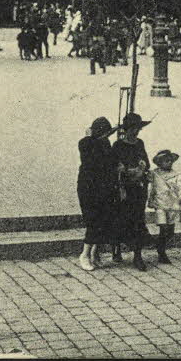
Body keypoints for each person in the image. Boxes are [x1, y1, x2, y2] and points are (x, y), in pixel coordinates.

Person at [111, 113, 152, 271]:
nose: (135, 132)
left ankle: (137, 256)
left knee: (138, 221)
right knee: (121, 218)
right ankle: (117, 248)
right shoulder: (118, 146)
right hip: (123, 189)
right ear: (126, 129)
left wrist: (142, 167)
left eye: (137, 129)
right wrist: (127, 170)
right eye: (132, 129)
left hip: (138, 188)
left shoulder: (140, 143)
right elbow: (115, 166)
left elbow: (146, 163)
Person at [76, 116, 119, 272]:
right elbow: (91, 159)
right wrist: (91, 136)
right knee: (93, 220)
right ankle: (84, 255)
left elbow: (110, 162)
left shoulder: (104, 142)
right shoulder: (86, 143)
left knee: (104, 219)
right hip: (89, 187)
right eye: (103, 133)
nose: (105, 136)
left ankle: (95, 254)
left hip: (105, 187)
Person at [147, 149, 181, 264]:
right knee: (163, 228)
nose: (169, 163)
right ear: (159, 163)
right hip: (160, 204)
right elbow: (147, 181)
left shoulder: (176, 175)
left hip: (172, 204)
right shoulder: (154, 174)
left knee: (170, 231)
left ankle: (160, 245)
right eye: (166, 161)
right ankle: (161, 252)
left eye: (170, 161)